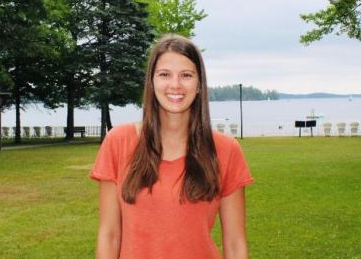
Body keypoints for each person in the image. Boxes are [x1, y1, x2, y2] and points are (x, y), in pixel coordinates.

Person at [90, 34, 254, 259]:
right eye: (164, 74)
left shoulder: (226, 150)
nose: (175, 85)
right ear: (152, 81)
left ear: (199, 85)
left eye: (186, 75)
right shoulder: (118, 142)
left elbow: (235, 244)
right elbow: (109, 235)